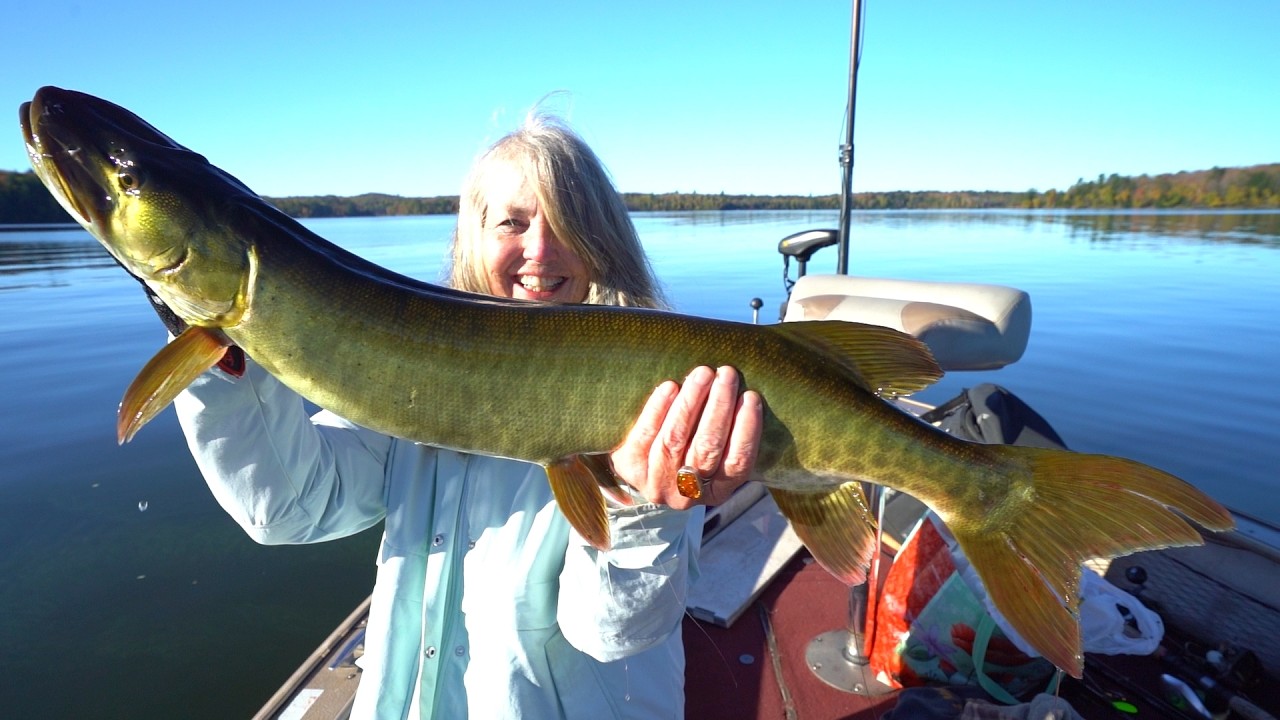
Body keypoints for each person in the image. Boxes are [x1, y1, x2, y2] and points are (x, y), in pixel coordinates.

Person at [170, 114, 764, 718]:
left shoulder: (661, 393)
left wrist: (644, 503)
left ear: (603, 242)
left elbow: (611, 634)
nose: (540, 249)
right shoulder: (410, 373)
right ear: (472, 237)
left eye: (569, 224)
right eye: (513, 221)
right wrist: (227, 369)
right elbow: (290, 508)